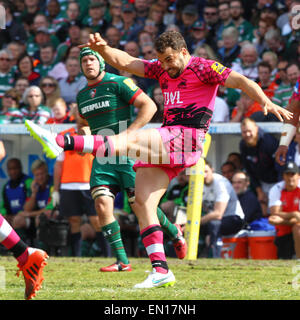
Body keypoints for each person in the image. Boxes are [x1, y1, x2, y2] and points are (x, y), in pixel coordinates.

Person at [25, 30, 292, 288]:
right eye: (161, 60)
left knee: (126, 139)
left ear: (183, 52)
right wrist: (103, 49)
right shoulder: (162, 67)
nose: (166, 66)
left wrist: (265, 100)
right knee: (142, 202)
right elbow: (127, 62)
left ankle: (61, 141)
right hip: (168, 138)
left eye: (170, 59)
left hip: (188, 137)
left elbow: (243, 81)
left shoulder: (204, 67)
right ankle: (161, 270)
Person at [26, 46, 186, 272]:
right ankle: (122, 261)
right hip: (102, 157)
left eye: (92, 59)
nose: (88, 64)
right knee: (102, 204)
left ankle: (174, 232)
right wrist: (86, 136)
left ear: (101, 62)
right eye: (85, 61)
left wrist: (130, 133)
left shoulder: (118, 83)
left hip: (127, 154)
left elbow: (149, 106)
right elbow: (82, 125)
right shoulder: (82, 96)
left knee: (140, 206)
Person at [52, 111, 108, 257]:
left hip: (90, 184)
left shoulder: (98, 134)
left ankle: (108, 256)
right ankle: (76, 256)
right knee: (73, 221)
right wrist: (56, 190)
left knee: (97, 220)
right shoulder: (66, 134)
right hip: (69, 185)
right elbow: (59, 164)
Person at [201, 161, 245, 258]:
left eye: (206, 171)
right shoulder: (196, 183)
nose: (203, 175)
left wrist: (195, 222)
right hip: (212, 220)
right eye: (200, 172)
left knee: (214, 224)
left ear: (212, 170)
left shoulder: (221, 183)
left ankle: (214, 256)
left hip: (234, 219)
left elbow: (218, 214)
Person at [240, 117, 281, 216]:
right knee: (263, 212)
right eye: (244, 132)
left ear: (256, 129)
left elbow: (279, 167)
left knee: (276, 212)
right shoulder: (243, 145)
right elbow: (249, 170)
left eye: (249, 131)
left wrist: (279, 189)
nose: (247, 134)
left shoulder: (269, 142)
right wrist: (259, 190)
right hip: (260, 183)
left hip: (277, 182)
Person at [268, 162, 300, 259]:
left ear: (298, 176)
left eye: (292, 174)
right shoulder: (277, 189)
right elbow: (274, 214)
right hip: (283, 231)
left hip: (295, 228)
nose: (290, 177)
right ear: (283, 176)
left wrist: (282, 221)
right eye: (287, 174)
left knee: (297, 228)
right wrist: (294, 214)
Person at [0, 158, 32, 228]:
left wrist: (19, 214)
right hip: (12, 217)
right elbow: (4, 206)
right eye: (10, 169)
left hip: (27, 216)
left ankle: (22, 238)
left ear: (20, 168)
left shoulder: (28, 182)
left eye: (15, 168)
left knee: (17, 220)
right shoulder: (6, 187)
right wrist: (5, 215)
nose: (13, 172)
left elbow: (31, 203)